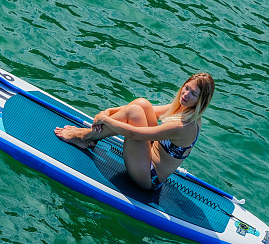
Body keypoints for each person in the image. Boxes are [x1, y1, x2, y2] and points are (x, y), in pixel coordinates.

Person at [54, 73, 214, 191]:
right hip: (149, 153)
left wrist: (105, 120)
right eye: (186, 88)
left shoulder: (185, 126)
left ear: (201, 102)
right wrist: (108, 111)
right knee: (142, 104)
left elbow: (136, 134)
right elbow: (148, 109)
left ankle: (84, 136)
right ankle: (89, 135)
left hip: (149, 176)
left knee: (134, 113)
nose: (186, 94)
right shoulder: (182, 108)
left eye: (193, 94)